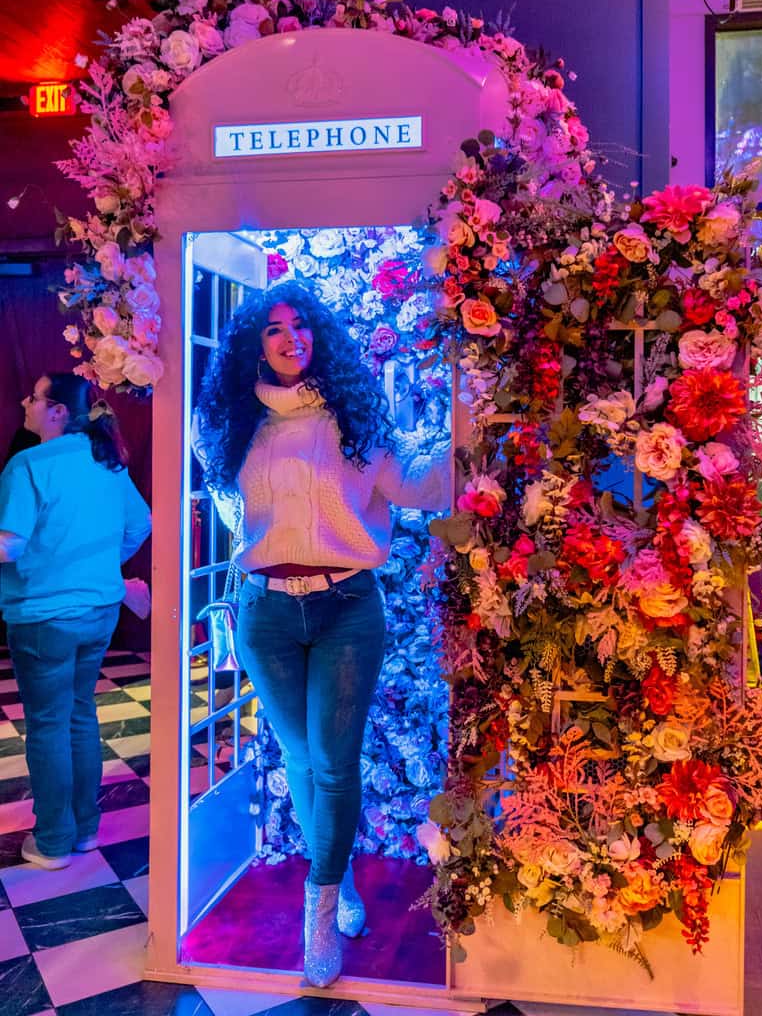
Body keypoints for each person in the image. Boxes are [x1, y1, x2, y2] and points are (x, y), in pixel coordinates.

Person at [195, 279, 449, 988]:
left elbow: (415, 488)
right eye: (274, 328)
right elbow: (232, 514)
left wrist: (468, 433)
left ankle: (321, 906)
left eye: (301, 325)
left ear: (319, 337)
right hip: (267, 612)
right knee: (303, 761)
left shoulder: (354, 418)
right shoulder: (226, 424)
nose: (289, 338)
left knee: (333, 764)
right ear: (256, 342)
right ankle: (338, 877)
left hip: (346, 608)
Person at [0, 373, 151, 870]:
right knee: (80, 715)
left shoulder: (28, 464)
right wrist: (104, 565)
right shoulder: (106, 461)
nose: (26, 402)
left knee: (47, 726)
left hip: (44, 615)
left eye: (34, 396)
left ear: (58, 411)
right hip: (99, 610)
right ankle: (85, 830)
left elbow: (11, 544)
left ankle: (53, 842)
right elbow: (140, 524)